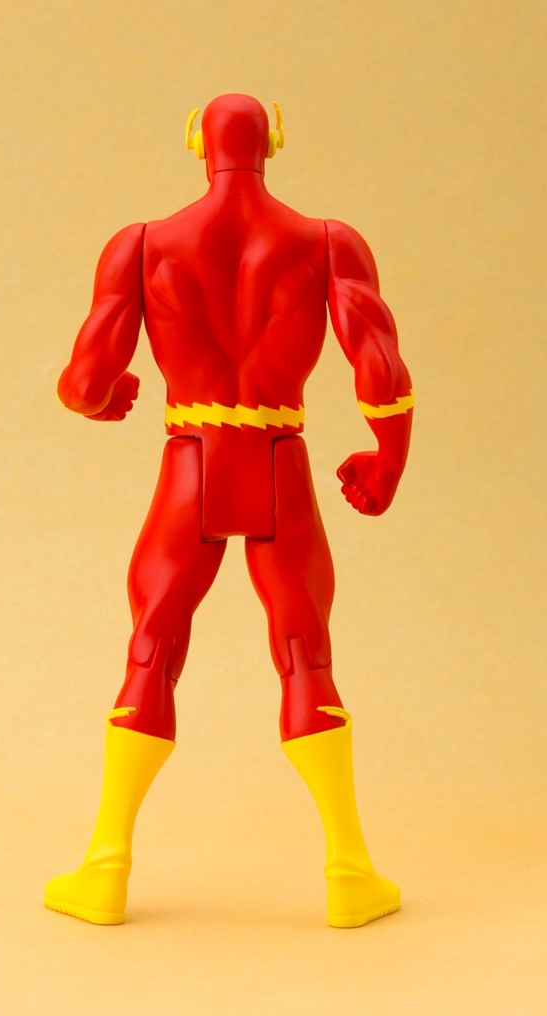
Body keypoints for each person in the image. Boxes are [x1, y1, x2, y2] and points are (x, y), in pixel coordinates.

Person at [45, 93, 413, 928]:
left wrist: (105, 398)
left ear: (193, 142)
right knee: (305, 656)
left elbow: (83, 382)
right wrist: (388, 458)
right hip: (279, 459)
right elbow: (378, 365)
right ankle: (349, 873)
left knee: (151, 652)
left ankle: (104, 869)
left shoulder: (143, 244)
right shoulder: (327, 241)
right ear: (273, 140)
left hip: (191, 461)